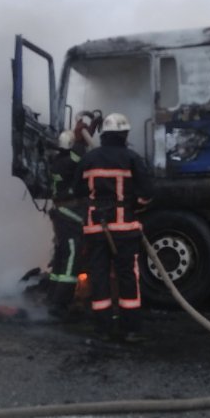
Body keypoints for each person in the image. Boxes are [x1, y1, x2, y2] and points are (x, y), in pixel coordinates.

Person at [73, 112, 153, 342]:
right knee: (127, 276)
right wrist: (134, 206)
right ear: (124, 134)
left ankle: (102, 329)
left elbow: (78, 191)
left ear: (104, 134)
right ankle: (131, 329)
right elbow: (147, 193)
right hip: (125, 229)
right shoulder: (132, 158)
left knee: (99, 276)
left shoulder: (89, 159)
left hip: (95, 229)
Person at [45, 130, 85, 319]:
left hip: (60, 213)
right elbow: (81, 158)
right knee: (71, 258)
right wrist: (82, 138)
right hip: (69, 214)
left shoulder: (57, 161)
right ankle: (60, 304)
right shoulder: (69, 162)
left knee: (61, 256)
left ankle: (53, 297)